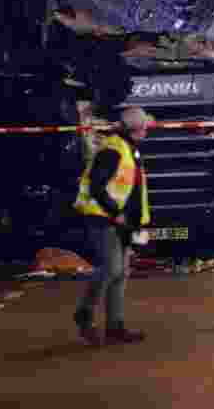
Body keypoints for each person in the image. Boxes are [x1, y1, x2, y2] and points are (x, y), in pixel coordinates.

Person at [72, 107, 151, 346]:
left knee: (120, 273)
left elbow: (132, 190)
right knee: (111, 269)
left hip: (119, 219)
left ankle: (115, 327)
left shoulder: (127, 148)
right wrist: (116, 213)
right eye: (144, 125)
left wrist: (136, 222)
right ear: (135, 128)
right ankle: (85, 312)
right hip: (103, 217)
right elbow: (97, 186)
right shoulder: (114, 149)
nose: (147, 129)